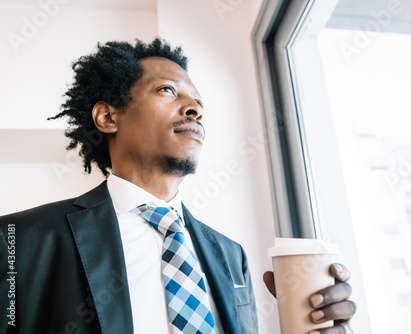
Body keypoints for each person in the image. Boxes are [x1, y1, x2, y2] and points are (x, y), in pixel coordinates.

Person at [0, 38, 356, 334]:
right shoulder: (16, 239)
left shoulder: (233, 257)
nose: (194, 110)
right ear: (108, 117)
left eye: (199, 104)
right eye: (168, 90)